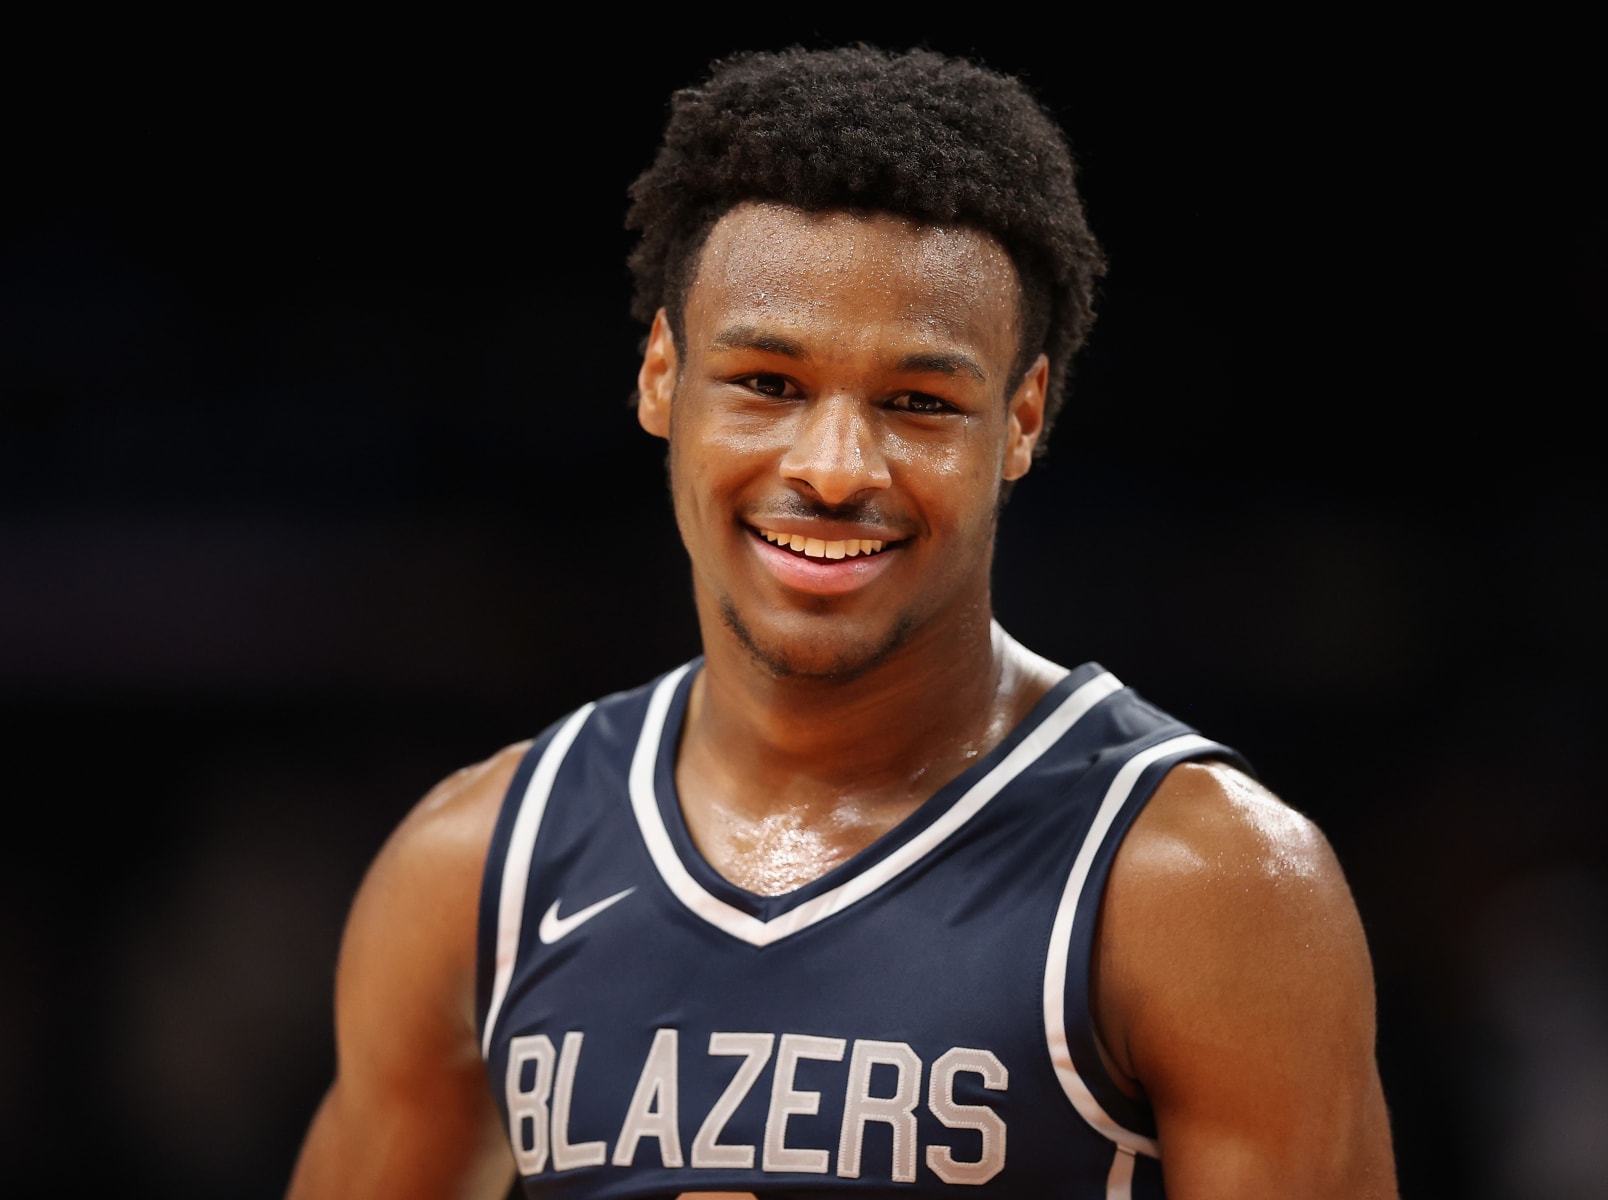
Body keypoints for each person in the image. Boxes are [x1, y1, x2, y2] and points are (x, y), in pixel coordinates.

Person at [285, 45, 1397, 1199]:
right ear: (662, 376)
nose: (831, 468)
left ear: (1021, 420)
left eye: (918, 403)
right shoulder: (476, 868)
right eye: (768, 383)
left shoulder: (1203, 882)